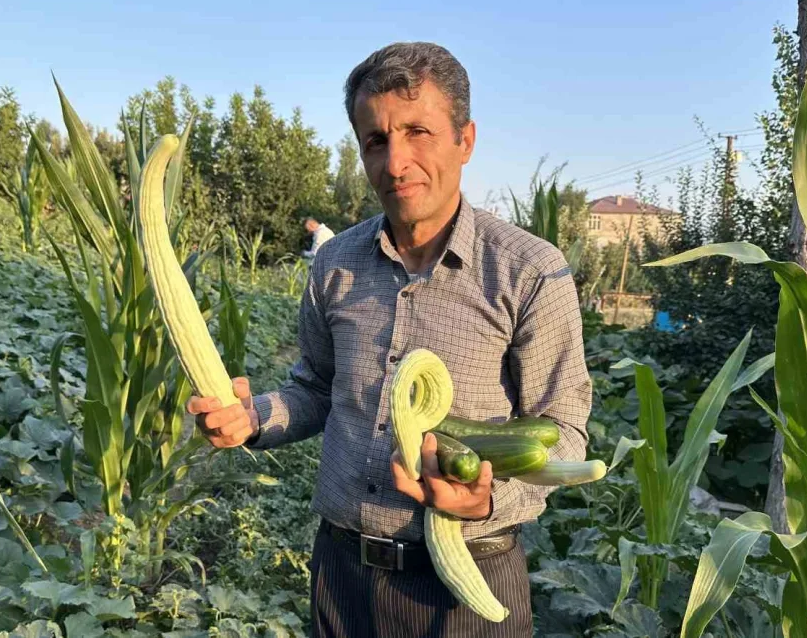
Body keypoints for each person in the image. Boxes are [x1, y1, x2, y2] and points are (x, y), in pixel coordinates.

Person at [187, 42, 590, 637]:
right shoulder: (334, 265)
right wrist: (251, 417)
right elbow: (315, 390)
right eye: (376, 140)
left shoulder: (529, 271)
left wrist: (484, 501)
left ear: (466, 140)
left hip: (467, 585)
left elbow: (565, 433)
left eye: (418, 131)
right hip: (343, 576)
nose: (396, 161)